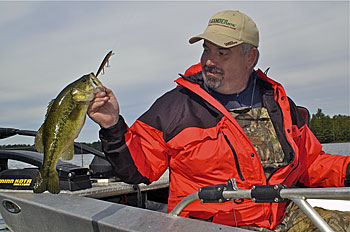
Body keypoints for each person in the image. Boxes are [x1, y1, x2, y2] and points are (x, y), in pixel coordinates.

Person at [88, 10, 350, 231]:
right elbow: (137, 171)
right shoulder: (175, 107)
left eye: (222, 52)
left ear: (251, 58)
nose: (209, 60)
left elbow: (311, 163)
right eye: (206, 50)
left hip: (280, 218)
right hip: (212, 227)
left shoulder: (278, 102)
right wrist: (112, 126)